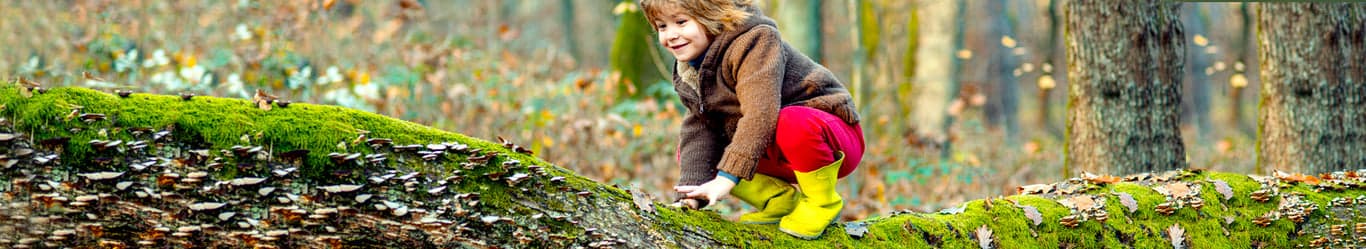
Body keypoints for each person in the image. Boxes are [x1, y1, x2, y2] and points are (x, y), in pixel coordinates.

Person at [639, 0, 865, 239]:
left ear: (709, 15)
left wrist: (726, 179)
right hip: (778, 151)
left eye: (681, 22)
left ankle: (822, 202)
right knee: (693, 151)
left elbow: (760, 113)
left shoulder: (755, 40)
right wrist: (689, 199)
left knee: (791, 121)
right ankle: (779, 200)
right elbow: (700, 127)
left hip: (833, 142)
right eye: (662, 26)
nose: (671, 35)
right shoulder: (691, 67)